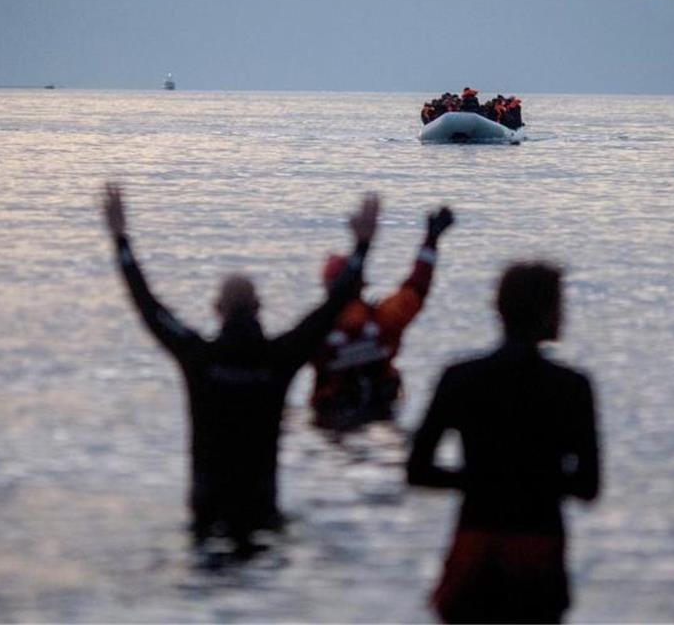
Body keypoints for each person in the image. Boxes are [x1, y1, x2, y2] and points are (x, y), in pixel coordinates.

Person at [103, 182, 380, 554]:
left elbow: (149, 307)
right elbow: (329, 310)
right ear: (259, 308)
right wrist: (362, 246)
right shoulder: (279, 357)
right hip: (261, 508)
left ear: (216, 310)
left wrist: (121, 241)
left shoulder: (198, 357)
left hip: (206, 509)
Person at [407, 262, 600, 624]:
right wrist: (536, 481)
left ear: (500, 309)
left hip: (473, 547)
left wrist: (479, 480)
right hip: (539, 554)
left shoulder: (459, 377)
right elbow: (588, 487)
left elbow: (418, 471)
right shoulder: (572, 387)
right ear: (547, 314)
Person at [310, 207, 455, 430]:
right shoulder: (384, 320)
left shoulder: (314, 332)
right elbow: (417, 286)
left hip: (331, 418)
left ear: (327, 287)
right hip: (381, 412)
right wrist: (431, 239)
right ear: (360, 284)